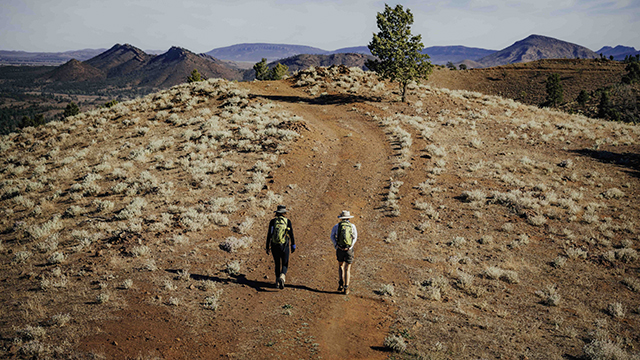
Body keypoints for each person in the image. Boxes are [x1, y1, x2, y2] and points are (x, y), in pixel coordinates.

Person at [266, 205, 296, 289]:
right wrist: (293, 244)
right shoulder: (287, 221)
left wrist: (267, 246)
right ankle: (282, 276)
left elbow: (269, 234)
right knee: (285, 263)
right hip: (284, 245)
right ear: (284, 213)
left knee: (277, 263)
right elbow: (291, 234)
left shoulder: (272, 222)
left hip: (274, 245)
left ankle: (277, 282)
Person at [330, 210, 357, 295]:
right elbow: (355, 237)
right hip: (349, 249)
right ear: (349, 218)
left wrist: (336, 245)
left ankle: (340, 282)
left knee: (340, 265)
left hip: (340, 249)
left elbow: (332, 236)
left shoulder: (337, 226)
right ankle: (346, 287)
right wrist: (350, 246)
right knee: (347, 268)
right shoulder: (352, 226)